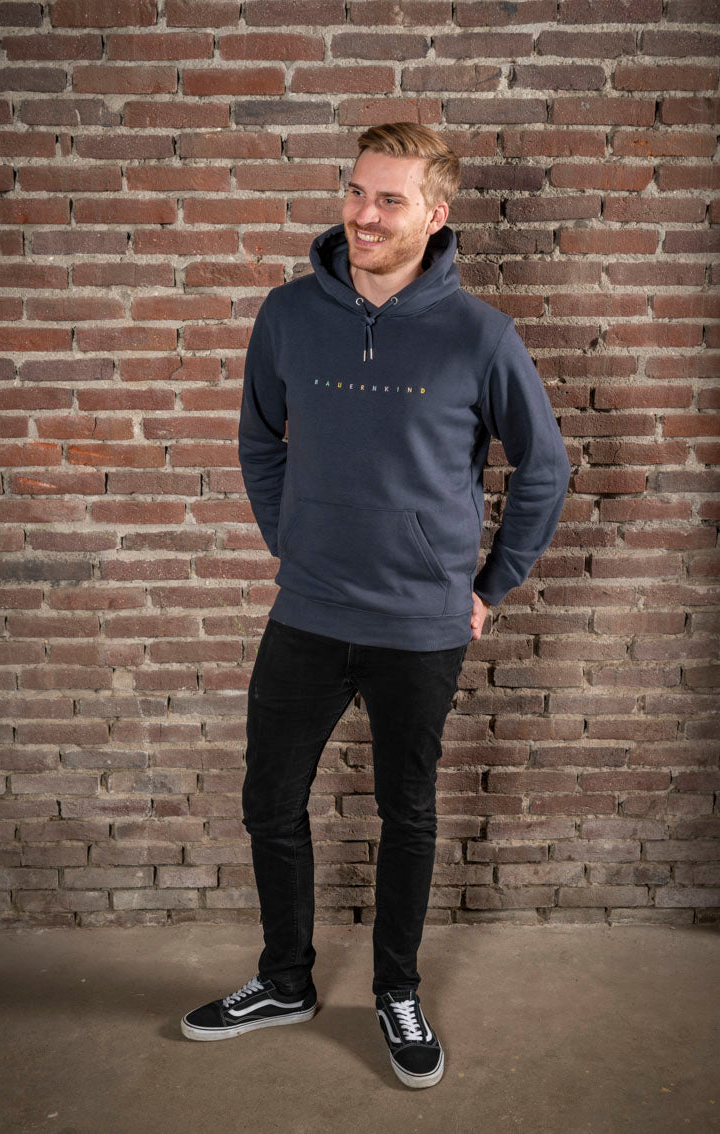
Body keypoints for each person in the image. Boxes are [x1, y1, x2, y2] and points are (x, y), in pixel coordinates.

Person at [181, 122, 571, 1089]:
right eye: (356, 190)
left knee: (408, 812)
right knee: (269, 802)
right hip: (308, 611)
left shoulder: (479, 334)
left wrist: (488, 588)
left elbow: (544, 470)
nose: (363, 213)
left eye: (389, 199)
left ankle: (396, 989)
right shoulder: (288, 314)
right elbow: (260, 442)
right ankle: (284, 980)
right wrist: (295, 543)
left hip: (419, 623)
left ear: (435, 216)